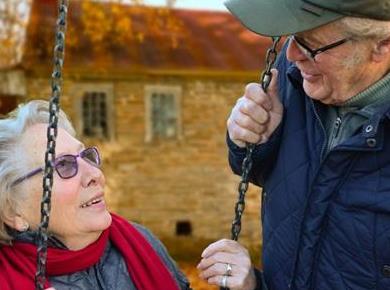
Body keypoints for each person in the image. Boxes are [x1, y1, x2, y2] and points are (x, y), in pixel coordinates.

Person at [197, 0, 390, 289]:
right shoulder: (295, 73)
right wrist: (253, 140)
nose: (292, 54)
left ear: (382, 46)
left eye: (310, 43)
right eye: (292, 35)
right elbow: (274, 175)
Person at [0, 100, 190, 290]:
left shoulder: (141, 242)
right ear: (12, 211)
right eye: (63, 165)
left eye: (85, 156)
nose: (95, 174)